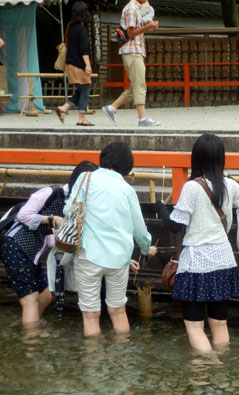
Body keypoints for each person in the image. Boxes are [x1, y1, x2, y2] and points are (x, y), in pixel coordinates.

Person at [155, 134, 239, 353]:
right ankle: (221, 369)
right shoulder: (229, 185)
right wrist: (230, 179)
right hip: (224, 263)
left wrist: (161, 209)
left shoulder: (192, 187)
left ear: (196, 159)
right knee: (219, 323)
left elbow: (174, 225)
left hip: (197, 265)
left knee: (194, 326)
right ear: (221, 159)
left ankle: (206, 371)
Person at [66, 142, 157, 336]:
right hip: (119, 259)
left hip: (88, 255)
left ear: (103, 158)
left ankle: (94, 363)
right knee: (118, 310)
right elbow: (140, 230)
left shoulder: (86, 178)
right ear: (127, 166)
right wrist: (144, 248)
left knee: (90, 315)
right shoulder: (127, 190)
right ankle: (121, 362)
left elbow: (69, 211)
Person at [1, 161, 98, 326]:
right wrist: (52, 219)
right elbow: (24, 215)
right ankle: (31, 338)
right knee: (30, 300)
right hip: (15, 245)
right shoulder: (52, 192)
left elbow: (56, 242)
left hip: (34, 254)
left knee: (46, 294)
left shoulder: (77, 205)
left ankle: (28, 324)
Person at [102, 0, 160, 127]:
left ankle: (112, 108)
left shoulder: (137, 8)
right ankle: (142, 118)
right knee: (140, 85)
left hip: (135, 50)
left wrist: (150, 26)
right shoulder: (131, 9)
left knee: (135, 86)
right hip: (132, 50)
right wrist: (148, 27)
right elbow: (130, 33)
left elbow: (137, 30)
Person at [55, 1, 94, 126]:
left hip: (70, 63)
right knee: (85, 88)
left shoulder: (70, 26)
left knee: (82, 89)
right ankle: (81, 117)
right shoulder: (81, 30)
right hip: (78, 65)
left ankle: (63, 108)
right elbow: (84, 50)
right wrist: (88, 65)